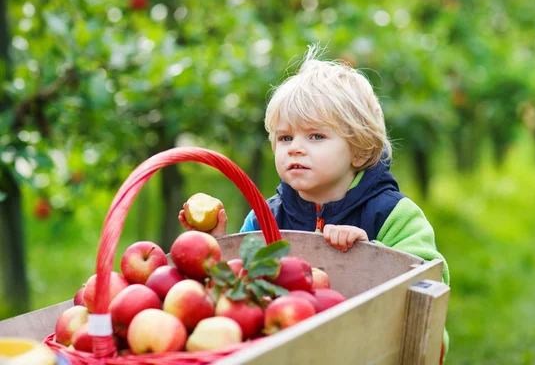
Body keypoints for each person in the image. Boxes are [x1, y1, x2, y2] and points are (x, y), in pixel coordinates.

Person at [179, 45, 450, 361]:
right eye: (285, 138)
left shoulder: (393, 216)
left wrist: (372, 254)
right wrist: (217, 246)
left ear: (360, 150)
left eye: (316, 137)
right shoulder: (265, 220)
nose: (295, 148)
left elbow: (429, 286)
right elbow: (238, 298)